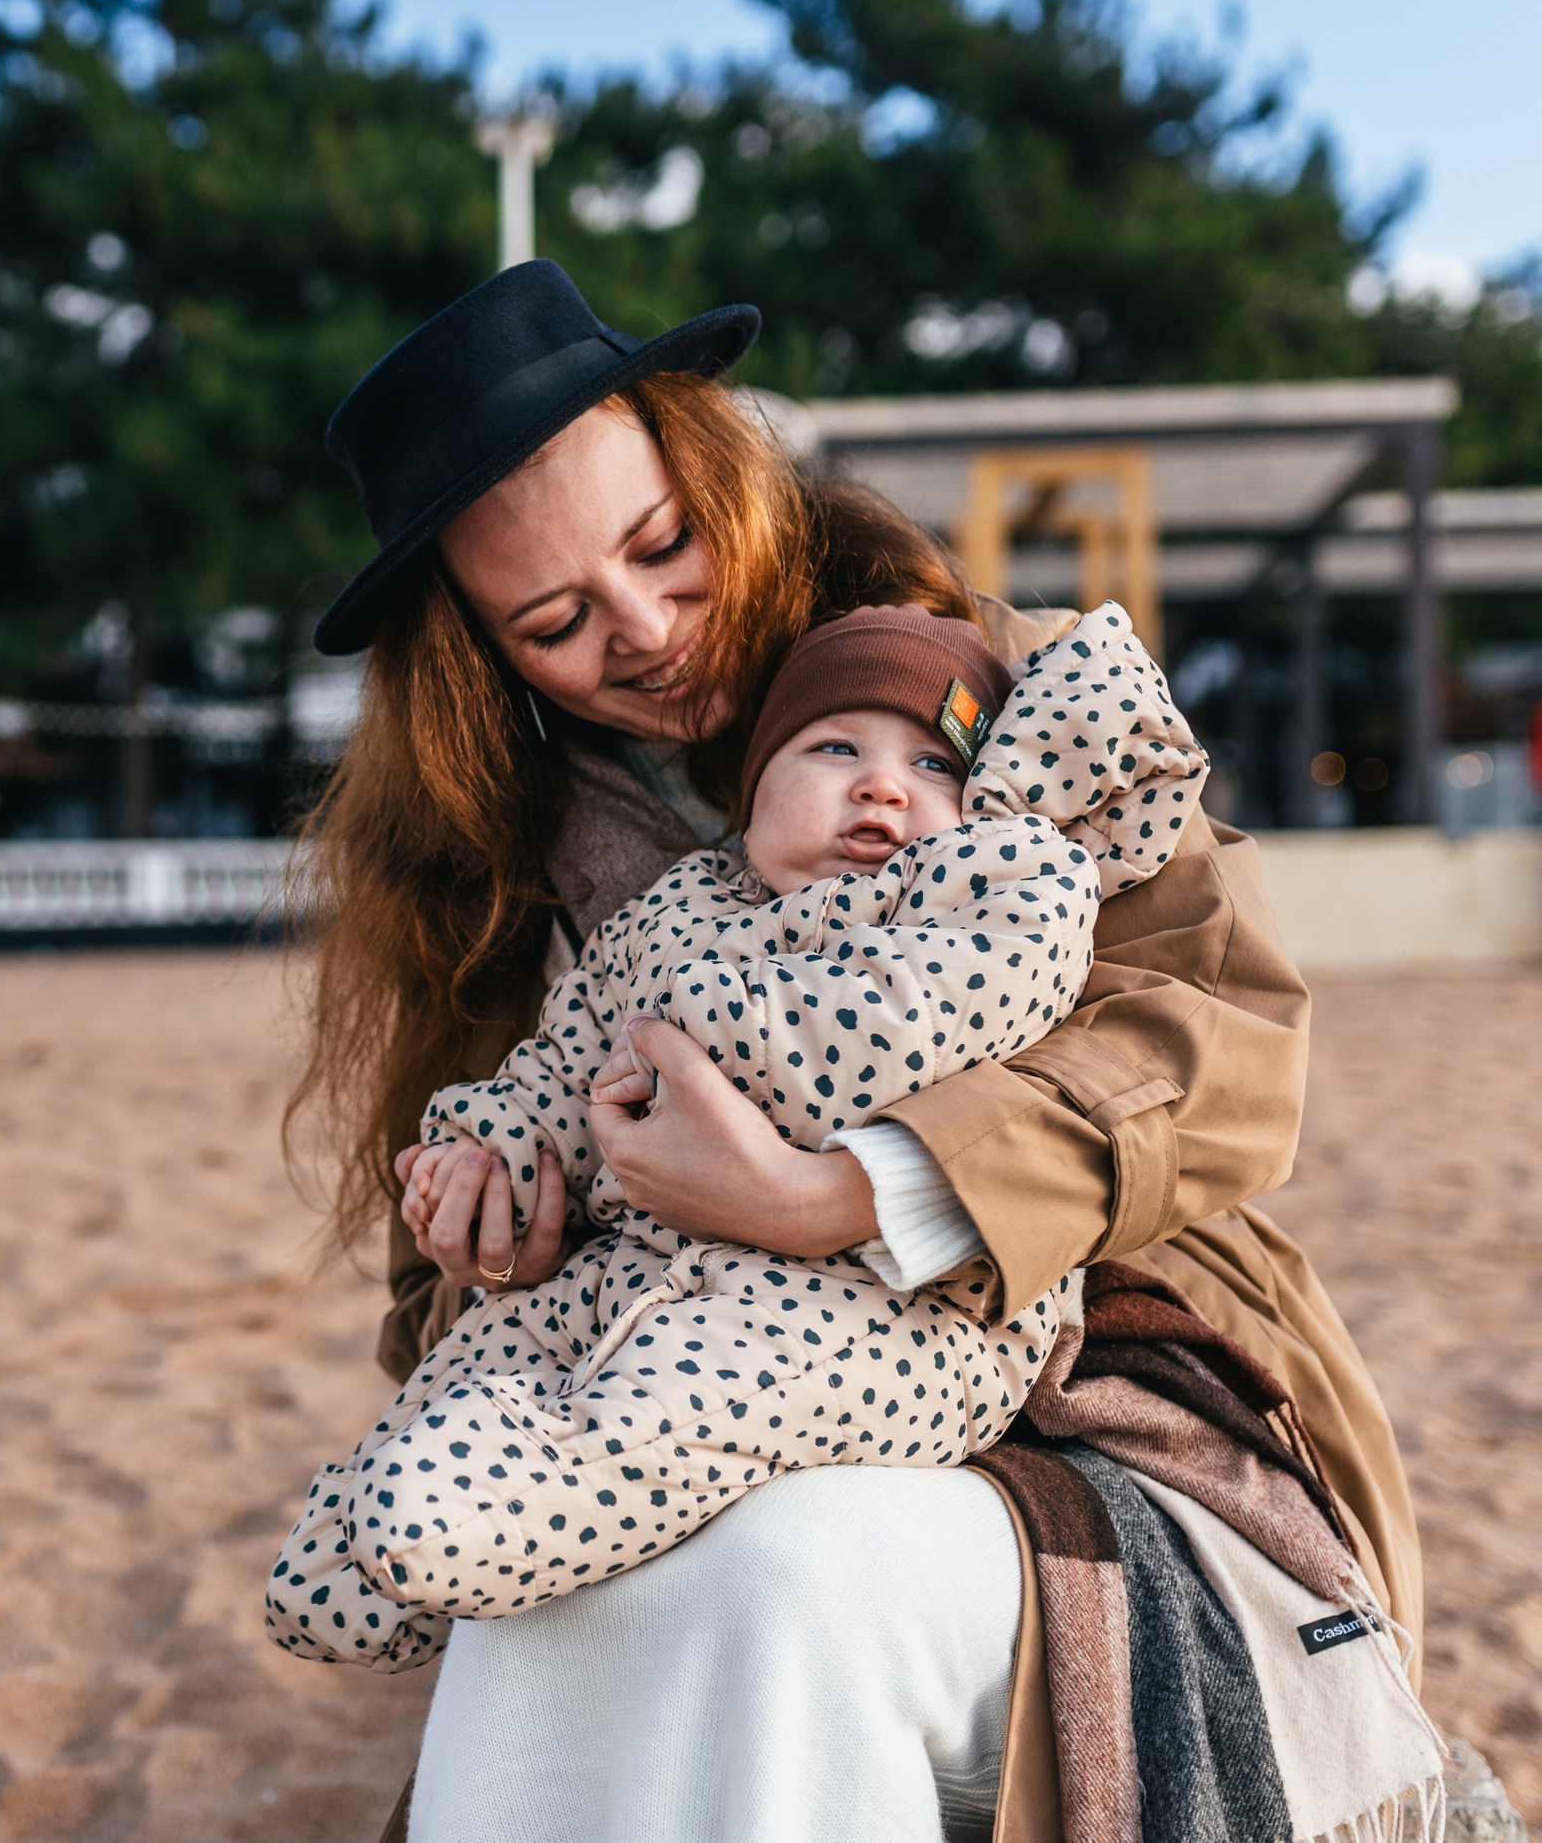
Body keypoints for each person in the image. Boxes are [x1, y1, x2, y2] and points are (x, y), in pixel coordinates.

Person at [285, 260, 1418, 1840]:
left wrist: (845, 1194)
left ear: (715, 469)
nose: (647, 626)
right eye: (552, 621)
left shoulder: (999, 693)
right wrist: (497, 1227)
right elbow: (447, 1257)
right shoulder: (499, 863)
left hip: (1091, 1354)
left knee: (783, 1568)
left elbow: (1223, 1047)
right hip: (652, 1369)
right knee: (522, 1617)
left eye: (662, 543)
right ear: (474, 660)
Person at [270, 601, 1200, 1667]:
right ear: (751, 795)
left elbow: (906, 1023)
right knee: (501, 1342)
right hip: (653, 1254)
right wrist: (489, 1151)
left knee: (693, 1391)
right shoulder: (679, 908)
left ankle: (484, 1512)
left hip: (896, 1306)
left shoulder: (997, 886)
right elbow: (562, 1052)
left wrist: (695, 1040)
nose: (882, 785)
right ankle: (354, 1560)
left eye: (935, 766)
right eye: (833, 747)